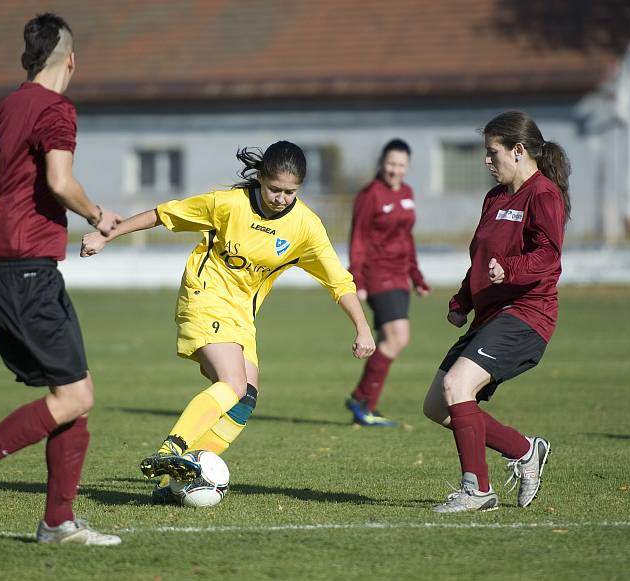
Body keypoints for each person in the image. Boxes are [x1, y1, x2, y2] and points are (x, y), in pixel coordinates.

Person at [81, 140, 377, 503]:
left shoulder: (306, 226)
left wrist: (362, 326)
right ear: (260, 178)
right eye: (274, 189)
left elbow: (338, 280)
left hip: (241, 316)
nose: (281, 198)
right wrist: (106, 236)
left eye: (290, 192)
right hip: (204, 298)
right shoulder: (228, 204)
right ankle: (172, 450)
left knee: (245, 399)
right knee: (233, 383)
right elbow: (164, 214)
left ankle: (169, 484)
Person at [0, 13, 122, 546]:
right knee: (75, 396)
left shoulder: (6, 107)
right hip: (23, 272)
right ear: (71, 60)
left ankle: (58, 523)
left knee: (75, 390)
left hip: (15, 271)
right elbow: (60, 182)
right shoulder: (55, 109)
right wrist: (95, 214)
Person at [422, 111, 570, 513]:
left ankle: (477, 490)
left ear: (518, 150)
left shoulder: (543, 195)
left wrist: (511, 268)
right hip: (491, 316)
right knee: (437, 405)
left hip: (527, 314)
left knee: (457, 387)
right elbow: (481, 259)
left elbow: (548, 258)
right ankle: (525, 451)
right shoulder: (496, 197)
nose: (487, 162)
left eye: (493, 153)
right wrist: (461, 302)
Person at [346, 139, 430, 427]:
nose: (395, 170)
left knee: (388, 341)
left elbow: (407, 238)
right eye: (391, 163)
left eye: (401, 165)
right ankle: (362, 400)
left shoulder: (407, 192)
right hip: (378, 275)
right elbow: (358, 239)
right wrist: (357, 278)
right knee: (398, 339)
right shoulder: (370, 195)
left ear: (408, 167)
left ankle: (365, 405)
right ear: (382, 163)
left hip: (400, 277)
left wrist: (416, 276)